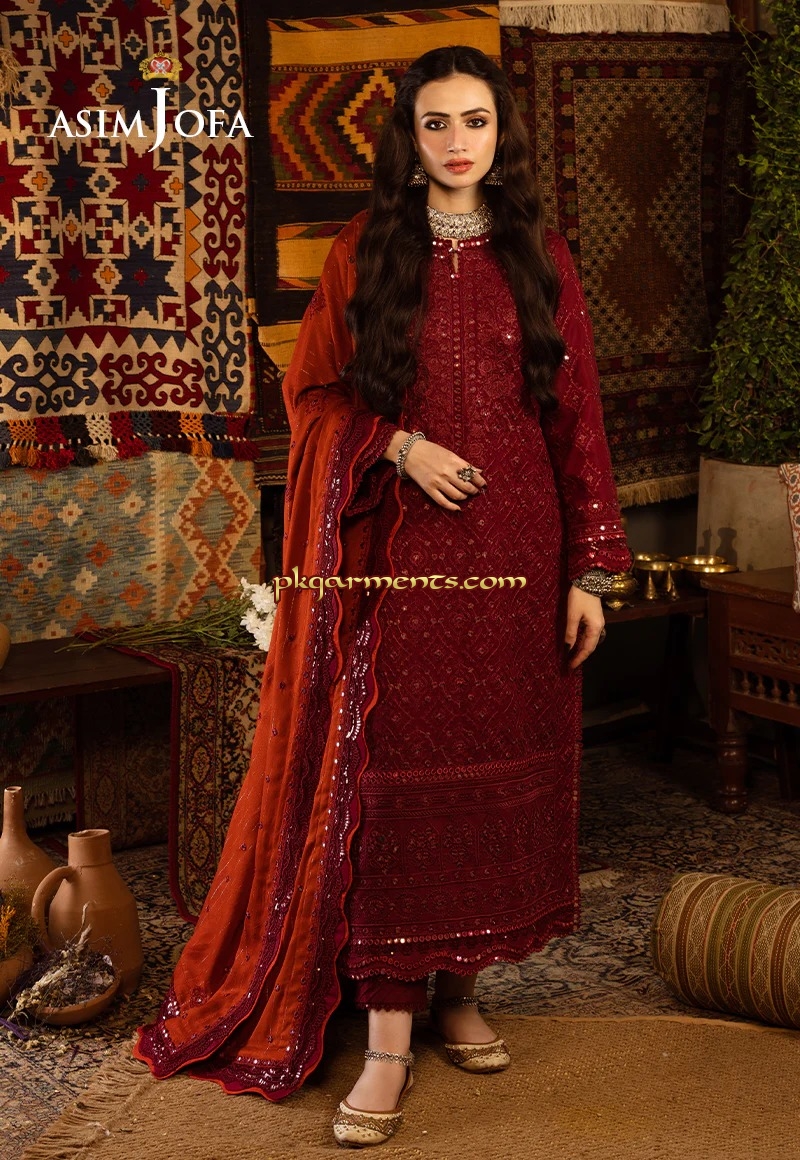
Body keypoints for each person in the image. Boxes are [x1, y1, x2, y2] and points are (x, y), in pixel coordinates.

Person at [134, 44, 632, 1148]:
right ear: (407, 137)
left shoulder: (540, 254)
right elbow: (310, 396)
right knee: (396, 785)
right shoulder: (365, 249)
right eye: (435, 123)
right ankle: (392, 1034)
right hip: (399, 559)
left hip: (517, 557)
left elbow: (577, 419)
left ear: (501, 133)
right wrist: (399, 445)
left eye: (475, 121)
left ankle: (461, 991)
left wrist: (590, 569)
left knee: (499, 779)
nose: (458, 142)